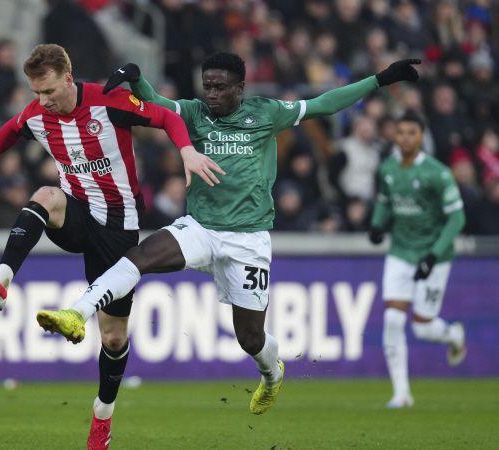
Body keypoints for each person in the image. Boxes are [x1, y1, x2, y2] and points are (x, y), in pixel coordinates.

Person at [35, 53, 421, 417]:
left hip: (248, 242)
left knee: (250, 339)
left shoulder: (266, 112)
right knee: (136, 259)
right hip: (201, 228)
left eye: (220, 87)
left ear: (240, 87)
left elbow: (324, 104)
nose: (213, 95)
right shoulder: (194, 112)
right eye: (208, 86)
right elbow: (154, 102)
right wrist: (135, 77)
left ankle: (272, 374)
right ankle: (77, 313)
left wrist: (380, 79)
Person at [0, 44, 220, 450]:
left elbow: (168, 117)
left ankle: (102, 416)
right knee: (46, 194)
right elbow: (12, 128)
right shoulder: (38, 115)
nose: (42, 102)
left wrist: (186, 150)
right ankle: (0, 281)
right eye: (36, 94)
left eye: (48, 92)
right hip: (77, 212)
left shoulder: (109, 101)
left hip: (119, 227)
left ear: (68, 77)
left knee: (114, 339)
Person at [368, 111, 467, 409]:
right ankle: (401, 394)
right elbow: (385, 203)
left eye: (412, 132)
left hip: (433, 254)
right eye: (401, 132)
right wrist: (376, 225)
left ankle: (453, 335)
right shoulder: (387, 168)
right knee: (393, 318)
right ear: (394, 135)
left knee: (422, 326)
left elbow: (457, 218)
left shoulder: (437, 173)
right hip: (400, 251)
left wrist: (434, 255)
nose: (406, 138)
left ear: (421, 136)